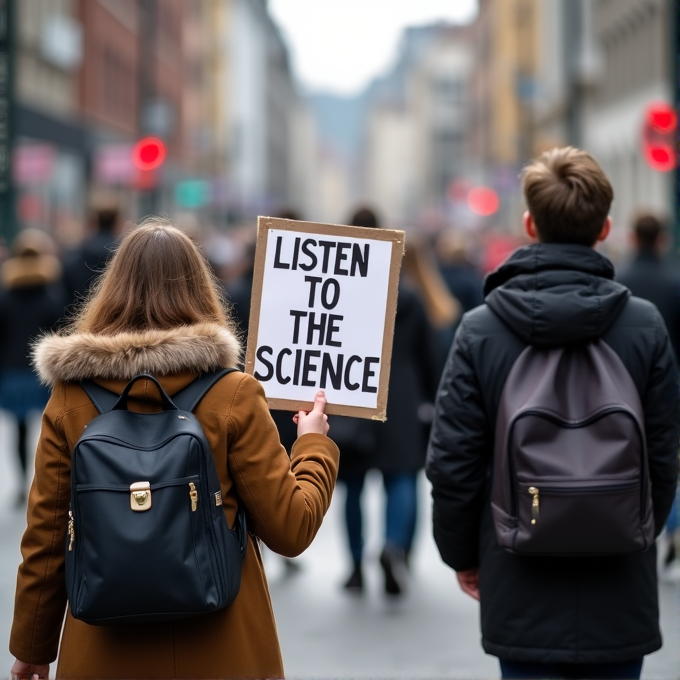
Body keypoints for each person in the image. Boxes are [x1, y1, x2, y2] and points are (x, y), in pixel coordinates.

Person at [9, 217, 339, 680]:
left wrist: (32, 647)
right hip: (224, 651)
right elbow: (291, 528)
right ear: (201, 291)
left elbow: (45, 539)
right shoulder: (235, 395)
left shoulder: (71, 398)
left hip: (104, 652)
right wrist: (313, 446)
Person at [426, 147, 679, 680]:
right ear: (605, 227)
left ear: (529, 224)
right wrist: (636, 529)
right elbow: (663, 454)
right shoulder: (645, 326)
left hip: (519, 570)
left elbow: (453, 463)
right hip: (619, 577)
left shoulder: (481, 329)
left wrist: (463, 554)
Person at [338, 207, 441, 596]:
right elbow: (428, 354)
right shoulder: (407, 293)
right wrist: (431, 397)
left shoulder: (340, 290)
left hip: (353, 391)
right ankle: (394, 546)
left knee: (352, 484)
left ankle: (354, 564)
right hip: (400, 397)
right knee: (401, 477)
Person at [617, 213, 680, 582]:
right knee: (668, 454)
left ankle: (645, 519)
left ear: (630, 237)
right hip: (671, 380)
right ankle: (671, 522)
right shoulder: (673, 282)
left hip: (625, 382)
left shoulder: (619, 281)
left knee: (635, 454)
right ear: (661, 240)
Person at [0, 229, 66, 507]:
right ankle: (44, 482)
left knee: (19, 429)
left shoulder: (5, 297)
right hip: (42, 372)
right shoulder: (51, 296)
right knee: (50, 430)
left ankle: (22, 480)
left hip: (12, 372)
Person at [62, 198, 121, 310]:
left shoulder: (77, 256)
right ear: (117, 222)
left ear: (94, 222)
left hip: (81, 317)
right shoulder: (124, 256)